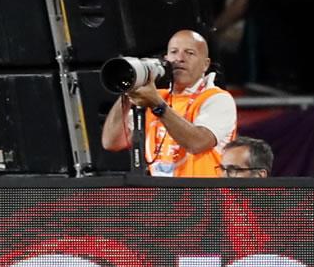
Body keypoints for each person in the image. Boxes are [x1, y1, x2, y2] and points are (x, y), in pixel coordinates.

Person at [100, 29, 237, 177]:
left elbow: (197, 143)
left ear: (205, 64)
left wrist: (158, 105)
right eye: (174, 52)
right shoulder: (155, 97)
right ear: (166, 58)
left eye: (189, 53)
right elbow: (111, 142)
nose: (180, 58)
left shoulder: (217, 99)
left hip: (204, 197)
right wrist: (129, 89)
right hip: (165, 197)